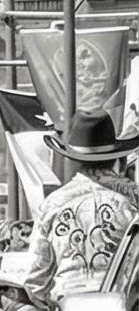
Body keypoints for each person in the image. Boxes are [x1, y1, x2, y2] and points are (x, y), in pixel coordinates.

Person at [29, 112, 139, 298]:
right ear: (119, 160)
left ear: (74, 160)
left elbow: (36, 279)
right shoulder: (132, 201)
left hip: (67, 304)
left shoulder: (52, 204)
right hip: (122, 305)